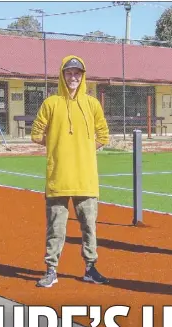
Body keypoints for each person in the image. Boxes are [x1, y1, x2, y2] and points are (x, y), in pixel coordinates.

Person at [30, 55, 110, 288]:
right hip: (58, 178)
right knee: (56, 228)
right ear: (62, 75)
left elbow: (103, 135)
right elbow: (36, 133)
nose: (73, 77)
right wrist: (57, 145)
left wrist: (83, 148)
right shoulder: (51, 103)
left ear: (82, 76)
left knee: (89, 227)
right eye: (69, 73)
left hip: (86, 179)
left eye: (77, 73)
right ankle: (51, 270)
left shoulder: (92, 104)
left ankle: (90, 268)